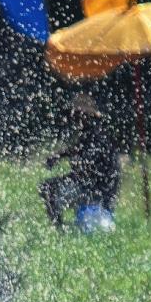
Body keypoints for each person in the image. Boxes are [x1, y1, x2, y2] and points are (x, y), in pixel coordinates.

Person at [40, 93, 121, 230]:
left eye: (75, 114)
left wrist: (72, 166)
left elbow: (87, 168)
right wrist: (59, 156)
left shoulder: (95, 135)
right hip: (99, 189)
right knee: (51, 187)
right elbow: (78, 150)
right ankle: (60, 227)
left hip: (98, 192)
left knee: (48, 189)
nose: (72, 118)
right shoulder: (93, 132)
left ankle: (58, 229)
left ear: (84, 115)